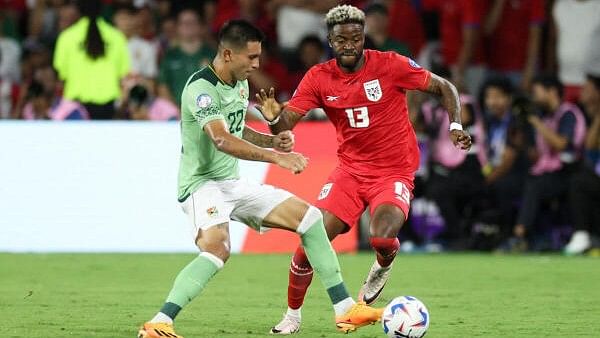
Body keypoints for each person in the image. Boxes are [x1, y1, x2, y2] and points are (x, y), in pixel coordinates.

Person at [137, 19, 382, 338]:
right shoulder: (201, 89)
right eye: (251, 57)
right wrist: (277, 157)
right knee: (217, 249)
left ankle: (345, 308)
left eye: (258, 56)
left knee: (309, 218)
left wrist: (272, 139)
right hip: (202, 186)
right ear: (227, 54)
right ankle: (159, 322)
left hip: (232, 184)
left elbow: (237, 129)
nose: (257, 64)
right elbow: (222, 139)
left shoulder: (239, 83)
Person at [257, 5, 471, 334]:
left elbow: (445, 87)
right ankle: (291, 315)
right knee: (310, 239)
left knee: (382, 237)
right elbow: (285, 125)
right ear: (331, 40)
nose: (349, 45)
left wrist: (455, 123)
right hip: (350, 172)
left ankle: (382, 266)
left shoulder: (389, 64)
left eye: (355, 38)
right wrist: (273, 118)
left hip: (394, 171)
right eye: (341, 39)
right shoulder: (318, 77)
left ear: (363, 38)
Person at [508, 75, 586, 252]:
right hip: (547, 172)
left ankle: (519, 236)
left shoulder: (568, 113)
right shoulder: (544, 116)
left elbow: (561, 145)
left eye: (537, 92)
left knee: (536, 186)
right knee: (516, 183)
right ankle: (523, 236)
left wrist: (536, 123)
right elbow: (537, 157)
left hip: (570, 172)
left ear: (551, 92)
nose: (534, 98)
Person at [53, 0, 130, 120]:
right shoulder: (117, 37)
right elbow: (123, 74)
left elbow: (62, 73)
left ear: (78, 9)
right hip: (107, 106)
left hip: (76, 107)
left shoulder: (66, 37)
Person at [564, 73, 600, 254]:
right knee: (580, 179)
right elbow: (590, 146)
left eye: (587, 89)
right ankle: (582, 235)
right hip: (595, 175)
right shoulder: (588, 116)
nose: (582, 93)